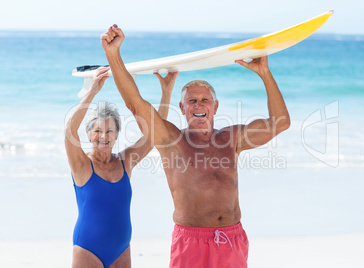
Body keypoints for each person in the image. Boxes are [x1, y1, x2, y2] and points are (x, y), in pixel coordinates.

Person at [102, 25, 290, 268]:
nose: (198, 105)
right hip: (191, 242)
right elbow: (135, 104)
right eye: (192, 100)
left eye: (205, 100)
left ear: (215, 106)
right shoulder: (171, 140)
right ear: (182, 108)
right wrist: (113, 54)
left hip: (232, 240)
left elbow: (280, 123)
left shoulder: (232, 138)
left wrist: (264, 73)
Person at [64, 66, 178, 267]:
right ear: (89, 134)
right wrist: (92, 92)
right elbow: (69, 132)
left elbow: (155, 135)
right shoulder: (82, 164)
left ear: (117, 134)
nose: (104, 137)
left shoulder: (125, 162)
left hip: (121, 249)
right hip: (88, 249)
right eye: (98, 130)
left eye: (110, 131)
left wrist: (166, 91)